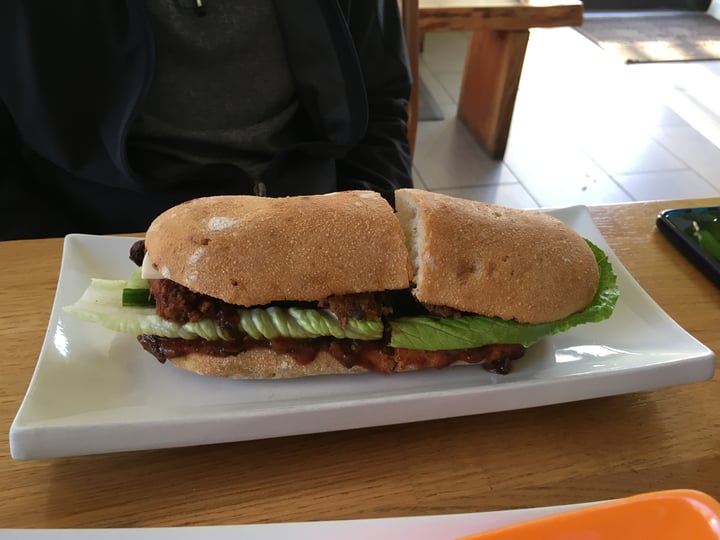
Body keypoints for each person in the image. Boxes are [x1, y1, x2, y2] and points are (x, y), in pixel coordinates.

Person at [0, 0, 413, 240]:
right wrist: (52, 251)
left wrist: (369, 227)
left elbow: (381, 96)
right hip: (101, 231)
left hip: (317, 217)